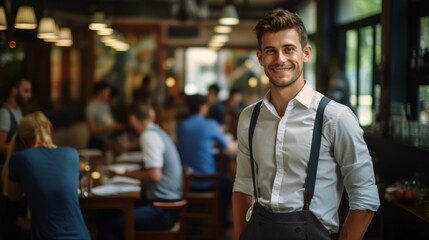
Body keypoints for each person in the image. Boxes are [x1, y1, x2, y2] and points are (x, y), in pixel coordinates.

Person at [232, 8, 380, 240]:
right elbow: (242, 185)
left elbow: (365, 195)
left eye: (289, 49)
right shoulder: (249, 117)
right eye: (271, 51)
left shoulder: (335, 117)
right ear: (260, 57)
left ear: (306, 53)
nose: (280, 59)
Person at [97, 102, 183, 240]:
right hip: (167, 203)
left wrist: (125, 174)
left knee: (108, 221)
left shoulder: (148, 136)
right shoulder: (156, 131)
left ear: (132, 119)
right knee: (108, 213)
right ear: (151, 116)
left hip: (163, 209)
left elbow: (155, 175)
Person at [3, 111, 90, 240]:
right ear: (49, 131)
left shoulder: (20, 158)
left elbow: (13, 195)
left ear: (22, 139)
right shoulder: (72, 154)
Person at [176, 94, 235, 228]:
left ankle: (194, 220)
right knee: (228, 183)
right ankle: (222, 223)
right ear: (203, 107)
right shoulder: (210, 124)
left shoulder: (180, 125)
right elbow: (229, 148)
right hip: (206, 180)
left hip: (186, 180)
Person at [0, 75, 32, 240]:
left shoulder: (18, 110)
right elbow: (0, 145)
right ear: (14, 90)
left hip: (18, 170)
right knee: (10, 221)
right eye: (25, 91)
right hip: (6, 174)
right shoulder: (5, 113)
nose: (29, 95)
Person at [85, 81, 124, 151]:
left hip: (109, 140)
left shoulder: (105, 104)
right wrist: (108, 127)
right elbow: (92, 130)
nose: (108, 95)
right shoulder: (91, 108)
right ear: (99, 93)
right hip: (97, 143)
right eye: (107, 92)